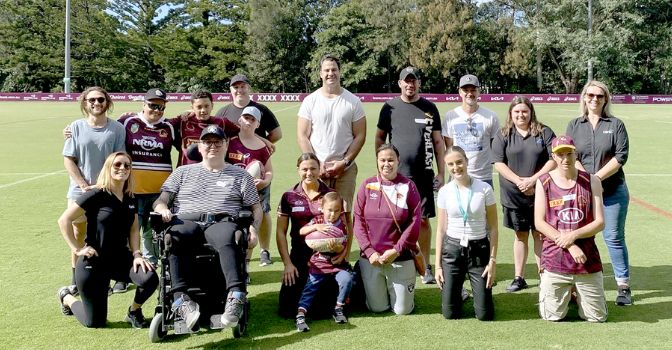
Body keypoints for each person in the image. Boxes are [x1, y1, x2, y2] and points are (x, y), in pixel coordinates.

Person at [153, 125, 262, 331]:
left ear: (226, 145)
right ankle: (180, 300)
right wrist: (162, 208)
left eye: (218, 142)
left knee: (227, 236)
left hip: (221, 221)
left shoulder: (241, 175)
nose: (213, 146)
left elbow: (255, 207)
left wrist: (254, 228)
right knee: (173, 236)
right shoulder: (182, 172)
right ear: (200, 147)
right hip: (186, 220)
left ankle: (236, 296)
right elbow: (162, 199)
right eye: (207, 142)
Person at [56, 152, 158, 328]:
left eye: (127, 165)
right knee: (94, 322)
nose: (122, 168)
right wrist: (78, 249)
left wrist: (136, 253)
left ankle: (133, 312)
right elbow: (64, 220)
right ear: (108, 167)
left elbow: (134, 229)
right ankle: (67, 297)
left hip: (120, 258)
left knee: (150, 279)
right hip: (94, 262)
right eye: (117, 164)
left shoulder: (130, 197)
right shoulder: (96, 194)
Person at [376, 66, 445, 285]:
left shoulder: (429, 108)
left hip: (423, 176)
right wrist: (382, 167)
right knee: (395, 220)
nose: (410, 85)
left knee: (423, 221)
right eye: (406, 81)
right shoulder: (389, 108)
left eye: (413, 81)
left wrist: (442, 172)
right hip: (396, 176)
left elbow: (437, 143)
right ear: (399, 83)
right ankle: (400, 260)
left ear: (418, 83)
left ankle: (425, 266)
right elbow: (379, 139)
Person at [566, 80, 632, 306]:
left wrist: (597, 178)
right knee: (581, 236)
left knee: (613, 237)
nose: (594, 99)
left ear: (606, 100)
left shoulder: (616, 124)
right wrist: (588, 180)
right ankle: (577, 286)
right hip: (583, 192)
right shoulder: (575, 125)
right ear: (584, 98)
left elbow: (620, 156)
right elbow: (570, 156)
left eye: (599, 96)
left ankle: (623, 286)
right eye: (590, 95)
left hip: (613, 191)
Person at [109, 88, 177, 294]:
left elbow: (191, 146)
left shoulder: (169, 127)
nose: (156, 110)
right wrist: (72, 131)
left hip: (160, 193)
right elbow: (105, 130)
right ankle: (123, 274)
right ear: (143, 104)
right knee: (127, 232)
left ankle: (153, 269)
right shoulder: (128, 122)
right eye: (152, 105)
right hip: (132, 189)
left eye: (160, 106)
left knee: (153, 232)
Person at [534, 135, 607, 322]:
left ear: (576, 155)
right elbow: (539, 223)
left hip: (586, 260)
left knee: (596, 317)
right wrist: (570, 245)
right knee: (552, 316)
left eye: (569, 154)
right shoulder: (544, 182)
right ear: (554, 157)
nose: (565, 159)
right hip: (555, 260)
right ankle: (566, 293)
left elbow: (599, 222)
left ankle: (578, 293)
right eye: (560, 155)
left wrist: (573, 235)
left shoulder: (592, 181)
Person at [297, 54, 366, 245]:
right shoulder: (310, 101)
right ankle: (317, 259)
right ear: (320, 73)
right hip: (316, 170)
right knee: (316, 212)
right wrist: (316, 164)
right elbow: (302, 135)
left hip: (345, 169)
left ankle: (342, 256)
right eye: (326, 70)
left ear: (340, 72)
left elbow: (360, 135)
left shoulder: (353, 101)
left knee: (344, 213)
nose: (330, 73)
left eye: (334, 69)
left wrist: (344, 162)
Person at [62, 86, 126, 291]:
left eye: (100, 99)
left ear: (107, 102)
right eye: (92, 100)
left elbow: (119, 159)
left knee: (111, 234)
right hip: (80, 191)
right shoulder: (75, 127)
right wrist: (82, 184)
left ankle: (115, 276)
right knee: (78, 232)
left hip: (108, 190)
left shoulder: (117, 129)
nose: (96, 103)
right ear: (85, 103)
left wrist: (106, 184)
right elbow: (69, 160)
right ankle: (77, 279)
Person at [216, 74, 283, 267]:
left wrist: (261, 141)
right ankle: (238, 255)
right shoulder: (224, 111)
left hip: (257, 168)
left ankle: (264, 250)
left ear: (248, 88)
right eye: (235, 86)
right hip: (232, 171)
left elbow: (277, 133)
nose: (239, 90)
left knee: (262, 211)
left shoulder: (261, 109)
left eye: (243, 86)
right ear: (230, 90)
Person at [491, 96, 556, 292]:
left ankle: (543, 274)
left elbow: (553, 159)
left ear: (531, 112)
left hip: (540, 193)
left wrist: (533, 180)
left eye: (524, 111)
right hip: (514, 194)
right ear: (511, 113)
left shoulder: (544, 132)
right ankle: (519, 277)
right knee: (520, 236)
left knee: (540, 234)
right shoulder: (503, 134)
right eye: (517, 111)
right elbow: (499, 163)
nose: (521, 115)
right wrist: (520, 181)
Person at [353, 144, 422, 315]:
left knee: (402, 310)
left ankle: (405, 293)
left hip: (400, 258)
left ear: (398, 161)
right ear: (377, 162)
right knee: (378, 308)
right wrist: (369, 252)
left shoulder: (408, 186)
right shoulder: (367, 185)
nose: (386, 164)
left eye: (391, 160)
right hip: (372, 260)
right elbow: (358, 221)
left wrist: (397, 250)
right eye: (382, 160)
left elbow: (415, 221)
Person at [434, 146, 498, 321]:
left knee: (484, 315)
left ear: (466, 162)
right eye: (451, 164)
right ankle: (458, 294)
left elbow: (493, 228)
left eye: (459, 162)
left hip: (479, 250)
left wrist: (492, 260)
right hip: (453, 250)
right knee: (449, 314)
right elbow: (441, 230)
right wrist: (438, 266)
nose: (456, 167)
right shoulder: (445, 191)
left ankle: (481, 297)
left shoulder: (484, 189)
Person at [276, 153, 339, 319]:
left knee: (322, 311)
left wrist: (341, 252)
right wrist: (287, 264)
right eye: (305, 169)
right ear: (298, 170)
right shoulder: (288, 196)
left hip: (325, 256)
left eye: (313, 168)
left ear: (320, 170)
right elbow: (280, 232)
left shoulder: (330, 194)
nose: (309, 173)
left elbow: (347, 226)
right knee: (287, 310)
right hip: (298, 256)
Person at [225, 106, 274, 281]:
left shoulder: (262, 147)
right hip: (230, 194)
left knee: (249, 229)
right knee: (231, 230)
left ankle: (245, 266)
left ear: (258, 124)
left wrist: (265, 181)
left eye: (252, 119)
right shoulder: (229, 141)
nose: (248, 121)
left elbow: (268, 171)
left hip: (252, 195)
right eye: (245, 117)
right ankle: (230, 266)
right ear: (239, 120)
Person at [295, 192, 352, 332]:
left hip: (336, 265)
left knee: (347, 279)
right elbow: (302, 231)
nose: (332, 214)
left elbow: (343, 246)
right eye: (329, 210)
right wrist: (315, 228)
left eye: (336, 210)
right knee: (310, 288)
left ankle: (338, 308)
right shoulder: (318, 221)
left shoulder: (342, 225)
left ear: (341, 210)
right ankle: (301, 315)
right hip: (318, 264)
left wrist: (336, 247)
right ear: (322, 208)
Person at [442, 74, 500, 187]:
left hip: (483, 177)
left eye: (473, 89)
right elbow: (449, 149)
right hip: (457, 176)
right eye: (465, 90)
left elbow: (496, 148)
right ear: (459, 92)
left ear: (479, 91)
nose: (469, 93)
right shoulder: (450, 116)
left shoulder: (491, 116)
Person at [171, 90, 239, 166]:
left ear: (212, 106)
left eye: (206, 106)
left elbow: (243, 132)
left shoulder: (222, 122)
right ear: (192, 107)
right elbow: (163, 125)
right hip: (187, 173)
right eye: (199, 107)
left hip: (212, 173)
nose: (203, 110)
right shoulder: (183, 120)